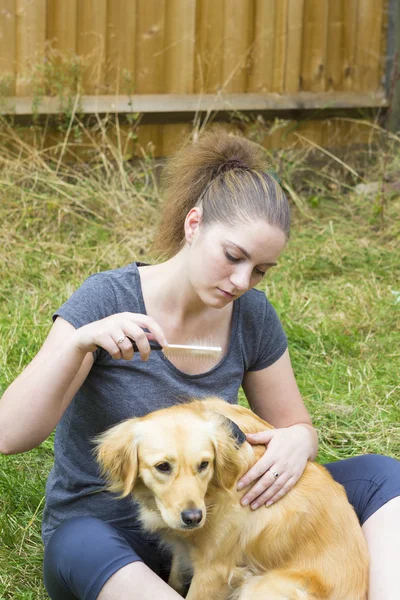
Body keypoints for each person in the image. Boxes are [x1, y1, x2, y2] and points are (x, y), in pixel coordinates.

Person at [0, 127, 399, 600]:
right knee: (78, 542)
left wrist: (299, 439)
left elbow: (294, 427)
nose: (241, 280)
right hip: (113, 534)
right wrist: (78, 345)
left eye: (260, 270)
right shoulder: (107, 298)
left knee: (382, 474)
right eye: (233, 256)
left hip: (209, 527)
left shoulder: (251, 315)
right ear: (194, 225)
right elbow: (9, 434)